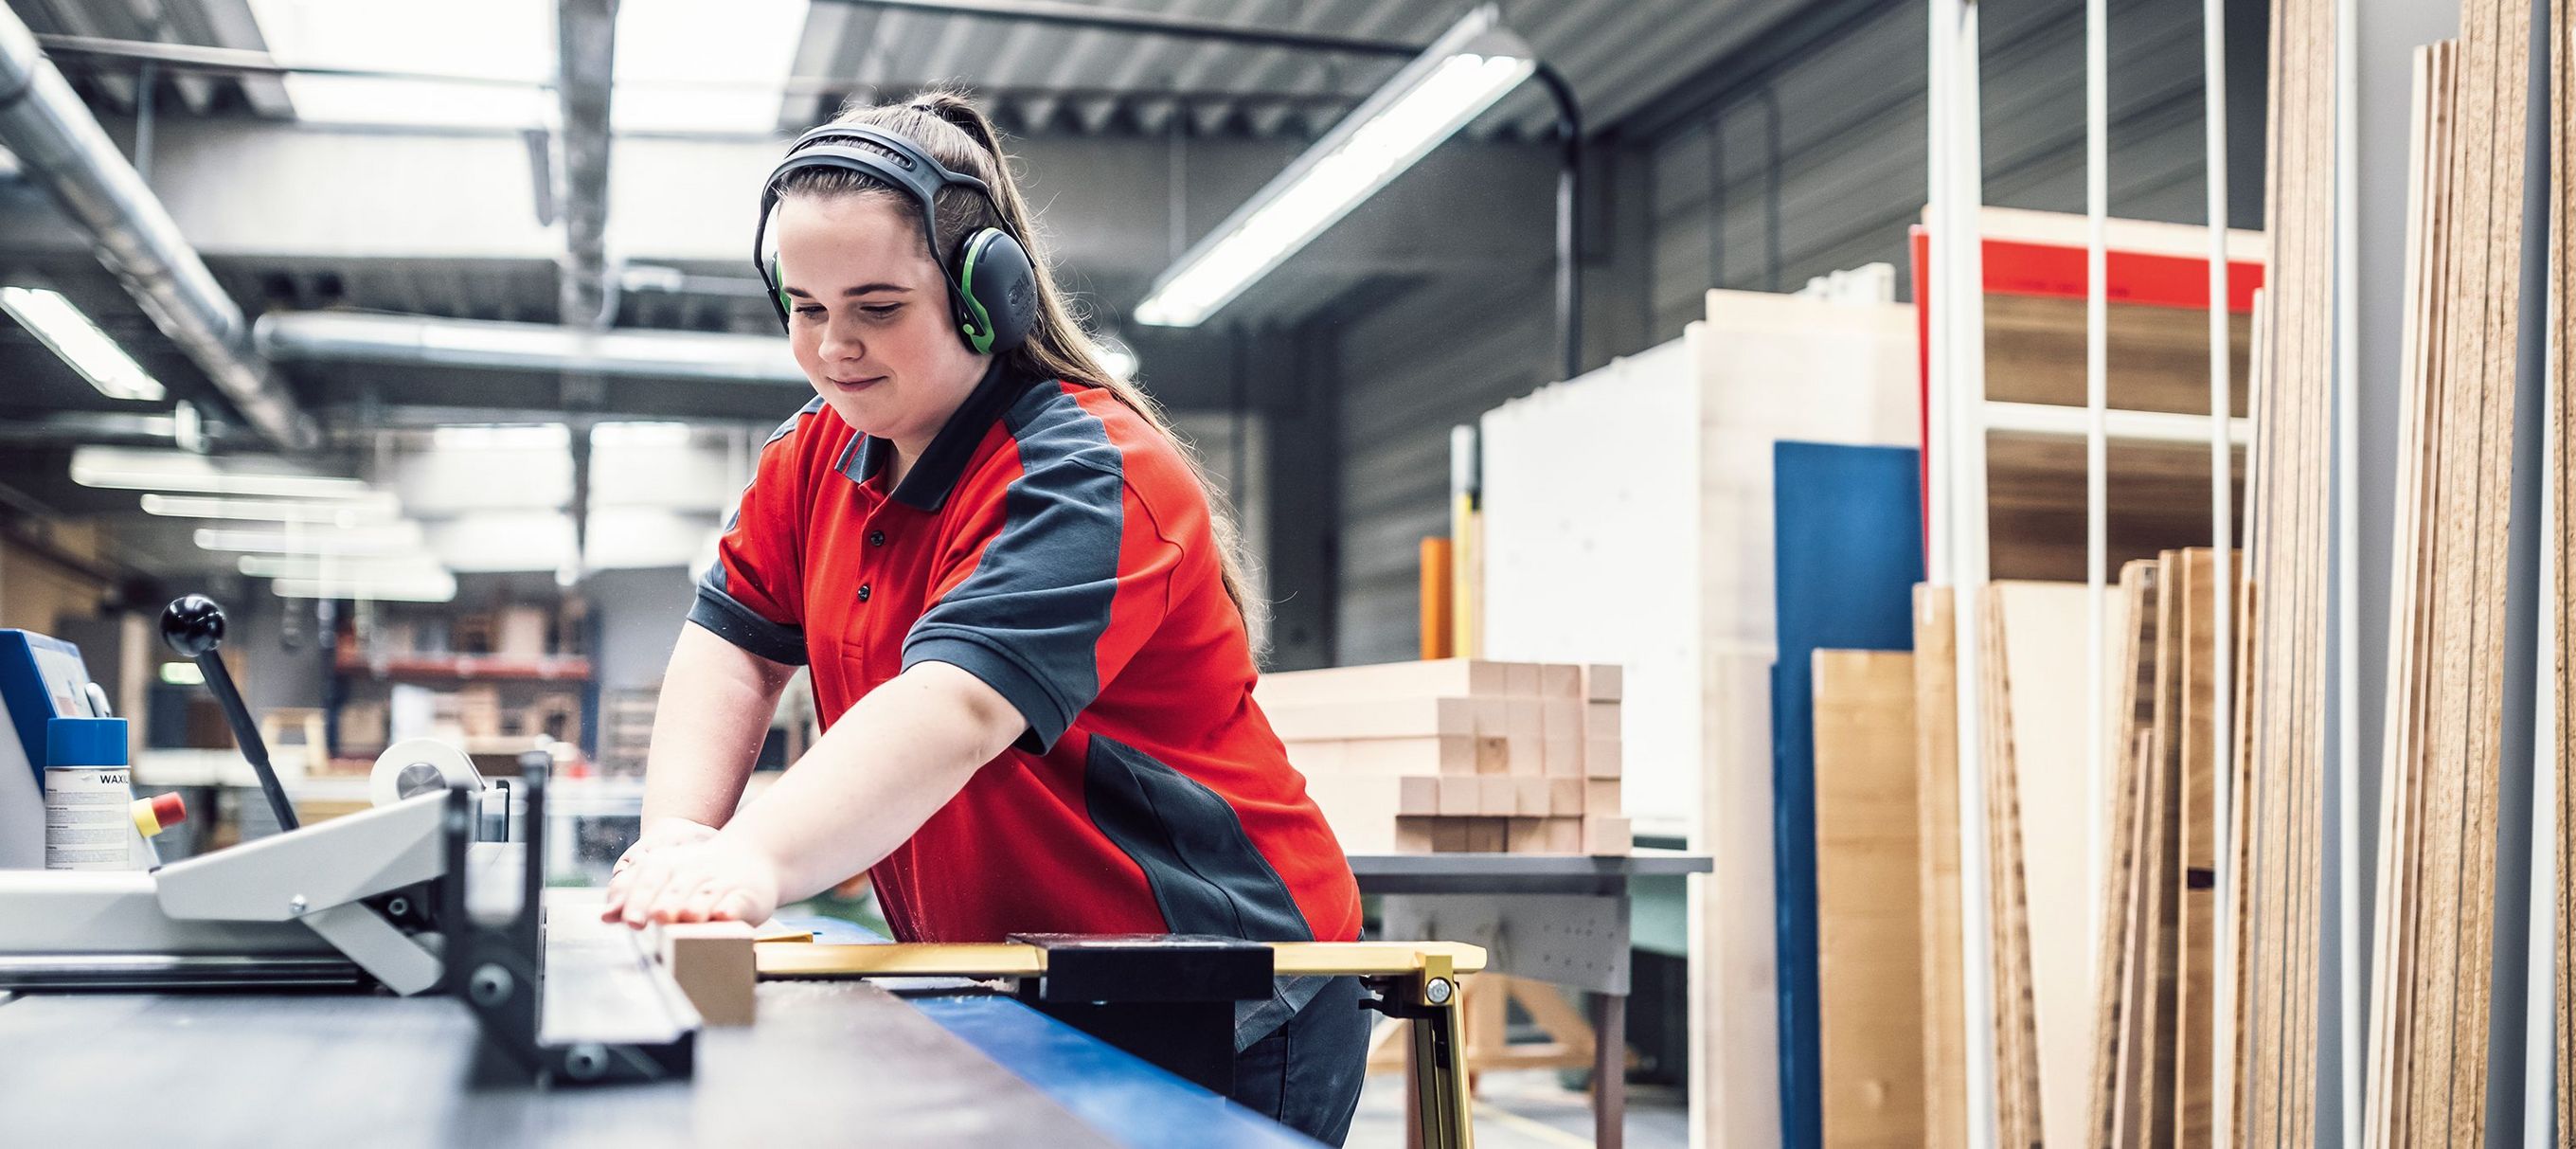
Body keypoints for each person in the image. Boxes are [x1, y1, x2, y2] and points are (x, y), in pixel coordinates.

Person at [599, 90, 1368, 1143]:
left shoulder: (1086, 473)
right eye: (805, 308)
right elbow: (731, 648)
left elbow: (957, 708)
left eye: (876, 307)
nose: (834, 348)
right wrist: (679, 846)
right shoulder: (809, 458)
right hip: (1007, 975)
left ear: (984, 296)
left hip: (1210, 985)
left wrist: (755, 859)